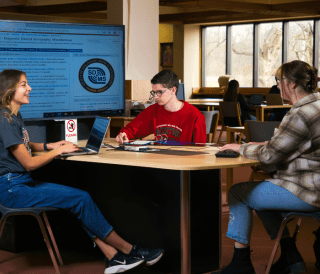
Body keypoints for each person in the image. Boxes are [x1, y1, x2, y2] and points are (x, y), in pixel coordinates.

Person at [0, 69, 164, 274]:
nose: (29, 88)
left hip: (20, 184)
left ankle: (113, 257)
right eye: (24, 84)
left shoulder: (13, 116)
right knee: (81, 198)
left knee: (77, 201)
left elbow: (23, 144)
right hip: (12, 190)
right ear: (9, 91)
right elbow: (29, 164)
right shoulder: (5, 120)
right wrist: (60, 150)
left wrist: (50, 145)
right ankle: (130, 250)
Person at [217, 60, 320, 274]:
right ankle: (291, 258)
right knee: (262, 192)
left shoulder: (299, 114)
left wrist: (241, 148)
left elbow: (269, 157)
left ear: (291, 84)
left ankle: (241, 265)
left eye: (278, 80)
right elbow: (301, 143)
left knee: (239, 192)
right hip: (313, 184)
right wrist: (265, 144)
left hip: (308, 191)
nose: (277, 85)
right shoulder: (316, 106)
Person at [116, 70, 206, 144]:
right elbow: (130, 130)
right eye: (154, 92)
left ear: (173, 90)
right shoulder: (153, 110)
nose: (155, 97)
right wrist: (124, 134)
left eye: (159, 92)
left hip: (182, 163)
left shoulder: (195, 115)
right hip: (158, 162)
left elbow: (200, 150)